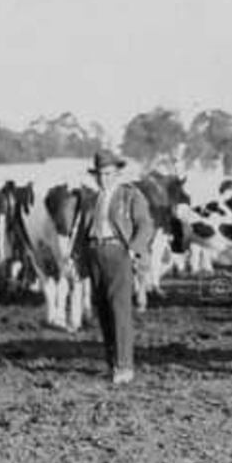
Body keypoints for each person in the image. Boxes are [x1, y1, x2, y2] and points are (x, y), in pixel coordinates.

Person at [78, 150, 154, 385]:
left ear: (118, 173)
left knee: (120, 310)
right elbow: (83, 230)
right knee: (103, 310)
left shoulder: (130, 196)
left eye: (109, 174)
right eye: (100, 174)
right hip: (95, 251)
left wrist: (133, 249)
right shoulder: (92, 199)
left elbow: (145, 225)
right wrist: (79, 257)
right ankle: (112, 362)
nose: (104, 179)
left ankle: (124, 366)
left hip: (118, 252)